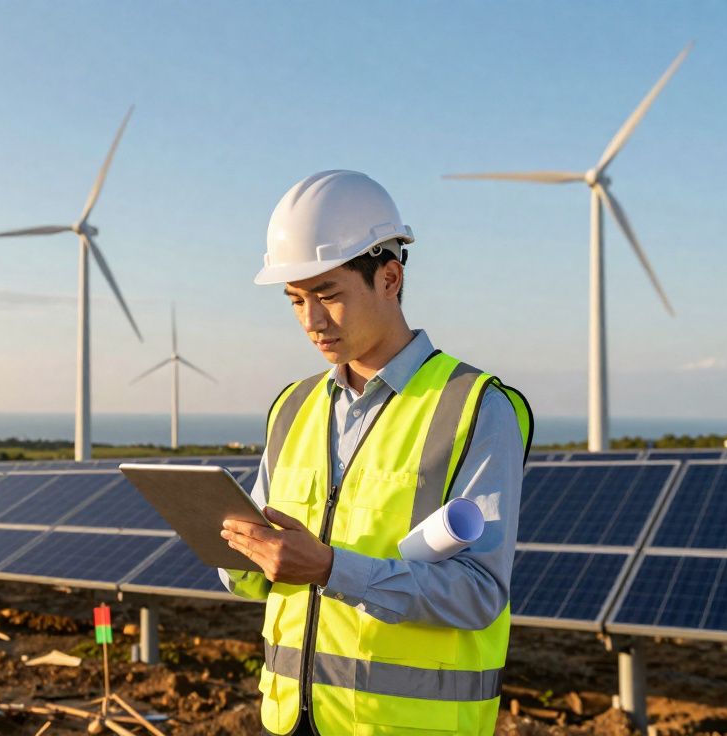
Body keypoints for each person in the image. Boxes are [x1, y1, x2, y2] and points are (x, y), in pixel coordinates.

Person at [219, 170, 532, 735]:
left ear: (389, 278)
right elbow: (257, 579)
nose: (311, 321)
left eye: (328, 295)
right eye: (295, 300)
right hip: (289, 721)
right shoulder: (293, 407)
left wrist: (330, 568)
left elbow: (479, 592)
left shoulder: (474, 407)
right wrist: (241, 553)